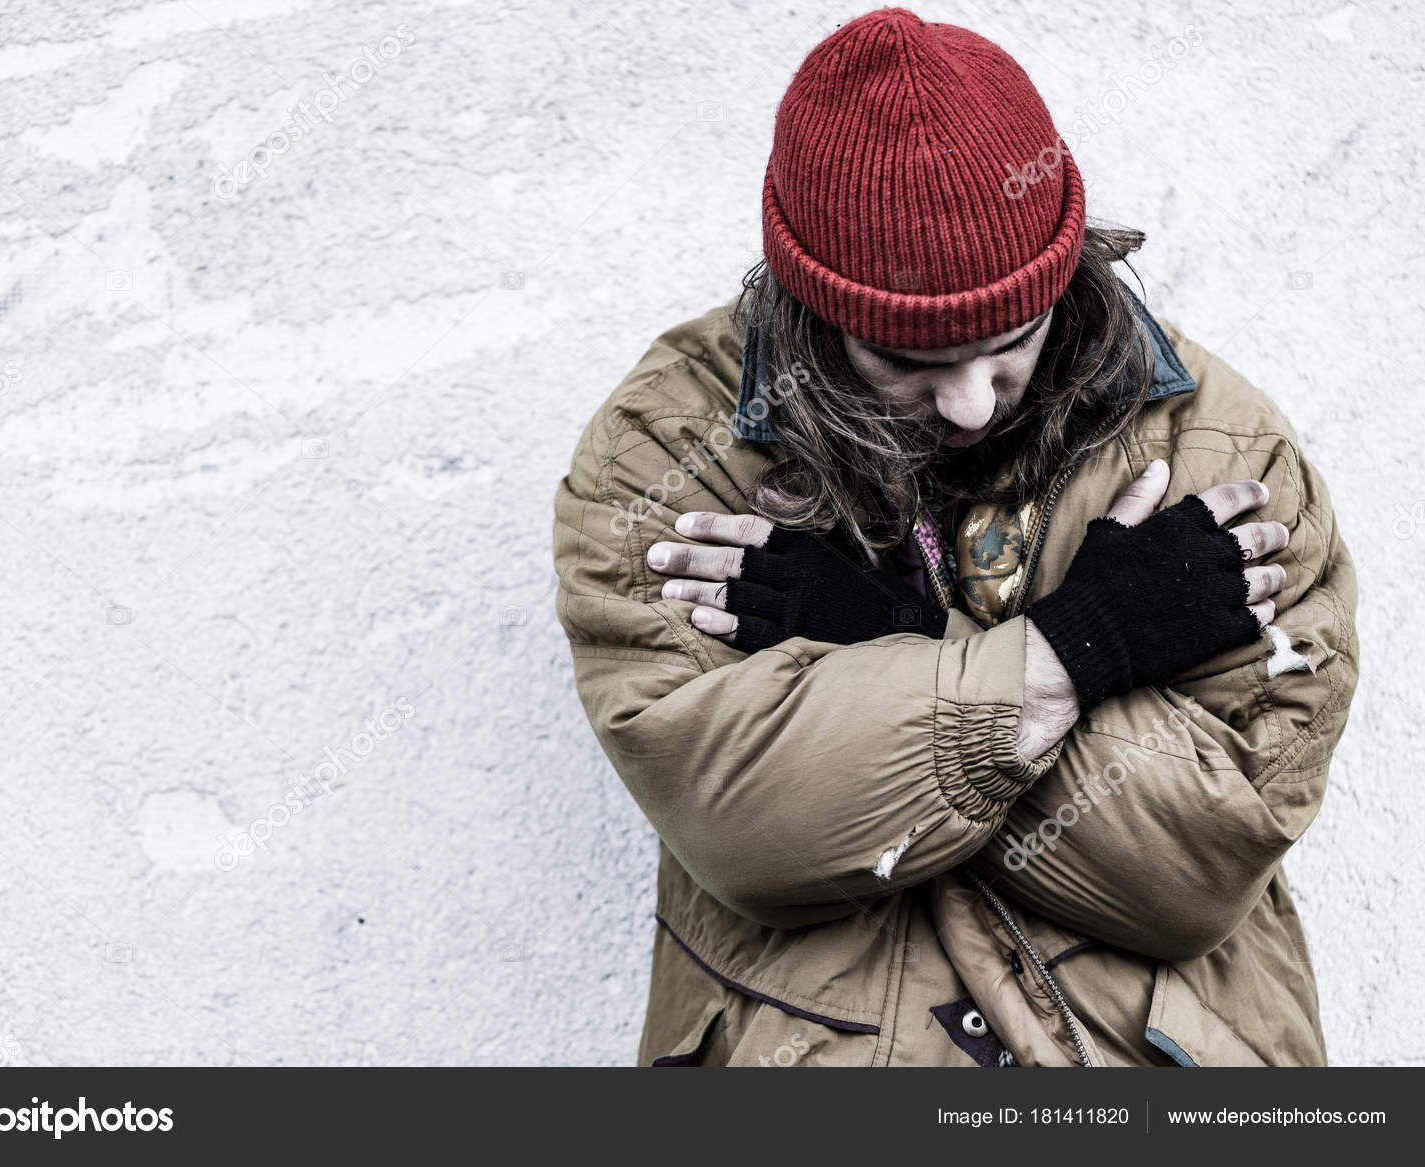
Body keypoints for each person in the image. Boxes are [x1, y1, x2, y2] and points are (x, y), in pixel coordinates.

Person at [551, 6, 1358, 1066]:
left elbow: (1197, 867)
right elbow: (752, 828)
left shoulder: (1220, 448)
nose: (972, 403)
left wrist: (888, 652)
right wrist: (1087, 647)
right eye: (907, 361)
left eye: (1012, 339)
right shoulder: (669, 448)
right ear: (813, 308)